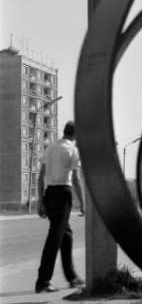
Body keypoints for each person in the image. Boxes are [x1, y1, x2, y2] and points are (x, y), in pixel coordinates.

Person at [35, 120, 85, 293]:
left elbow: (41, 177)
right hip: (63, 194)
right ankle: (43, 280)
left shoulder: (50, 148)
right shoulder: (73, 150)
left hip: (48, 194)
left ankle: (71, 277)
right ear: (76, 135)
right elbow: (76, 179)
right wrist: (83, 203)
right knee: (55, 237)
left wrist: (41, 201)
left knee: (66, 235)